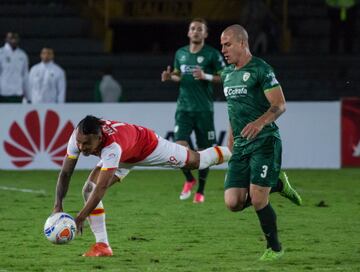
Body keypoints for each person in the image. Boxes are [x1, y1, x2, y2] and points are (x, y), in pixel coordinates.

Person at [52, 115, 231, 257]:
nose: (82, 147)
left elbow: (102, 188)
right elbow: (66, 172)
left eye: (87, 144)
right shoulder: (78, 136)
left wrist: (81, 217)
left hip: (148, 146)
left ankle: (234, 152)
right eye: (80, 143)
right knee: (88, 189)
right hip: (124, 155)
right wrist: (58, 204)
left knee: (197, 161)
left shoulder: (111, 146)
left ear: (99, 138)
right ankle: (102, 246)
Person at [220, 24, 301, 261]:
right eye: (222, 45)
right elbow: (233, 111)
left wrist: (260, 122)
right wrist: (231, 138)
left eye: (228, 44)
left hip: (265, 141)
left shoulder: (261, 69)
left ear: (242, 43)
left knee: (257, 199)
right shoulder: (227, 75)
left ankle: (274, 248)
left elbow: (280, 105)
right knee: (233, 203)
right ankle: (277, 184)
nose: (223, 49)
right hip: (242, 146)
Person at [161, 18, 226, 203]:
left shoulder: (212, 54)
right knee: (179, 146)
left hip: (204, 110)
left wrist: (204, 75)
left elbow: (224, 76)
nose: (196, 31)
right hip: (183, 109)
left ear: (205, 34)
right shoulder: (180, 53)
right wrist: (169, 77)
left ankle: (201, 191)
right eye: (192, 28)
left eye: (200, 29)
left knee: (205, 151)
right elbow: (178, 75)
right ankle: (189, 179)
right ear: (188, 33)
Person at [0, 32, 29, 103]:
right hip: (3, 92)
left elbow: (25, 76)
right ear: (6, 39)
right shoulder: (1, 53)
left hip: (17, 92)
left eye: (15, 38)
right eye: (11, 38)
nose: (13, 40)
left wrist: (28, 95)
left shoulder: (22, 55)